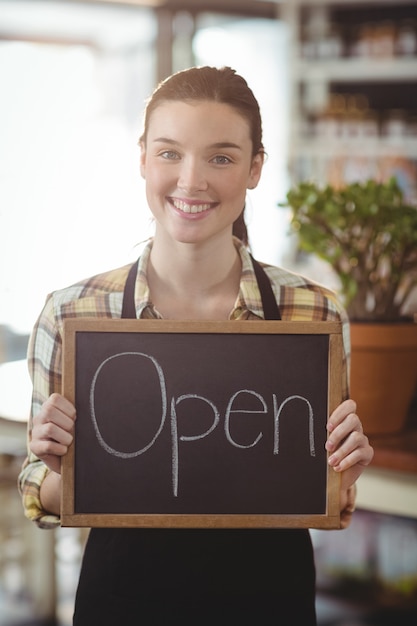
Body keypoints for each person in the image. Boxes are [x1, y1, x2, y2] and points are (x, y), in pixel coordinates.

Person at [19, 66, 374, 625]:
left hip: (269, 601)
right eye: (169, 153)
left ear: (256, 167)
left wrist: (343, 470)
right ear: (142, 158)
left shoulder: (314, 311)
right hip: (125, 602)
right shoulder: (71, 313)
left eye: (222, 157)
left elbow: (329, 496)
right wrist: (60, 464)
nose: (191, 180)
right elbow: (47, 498)